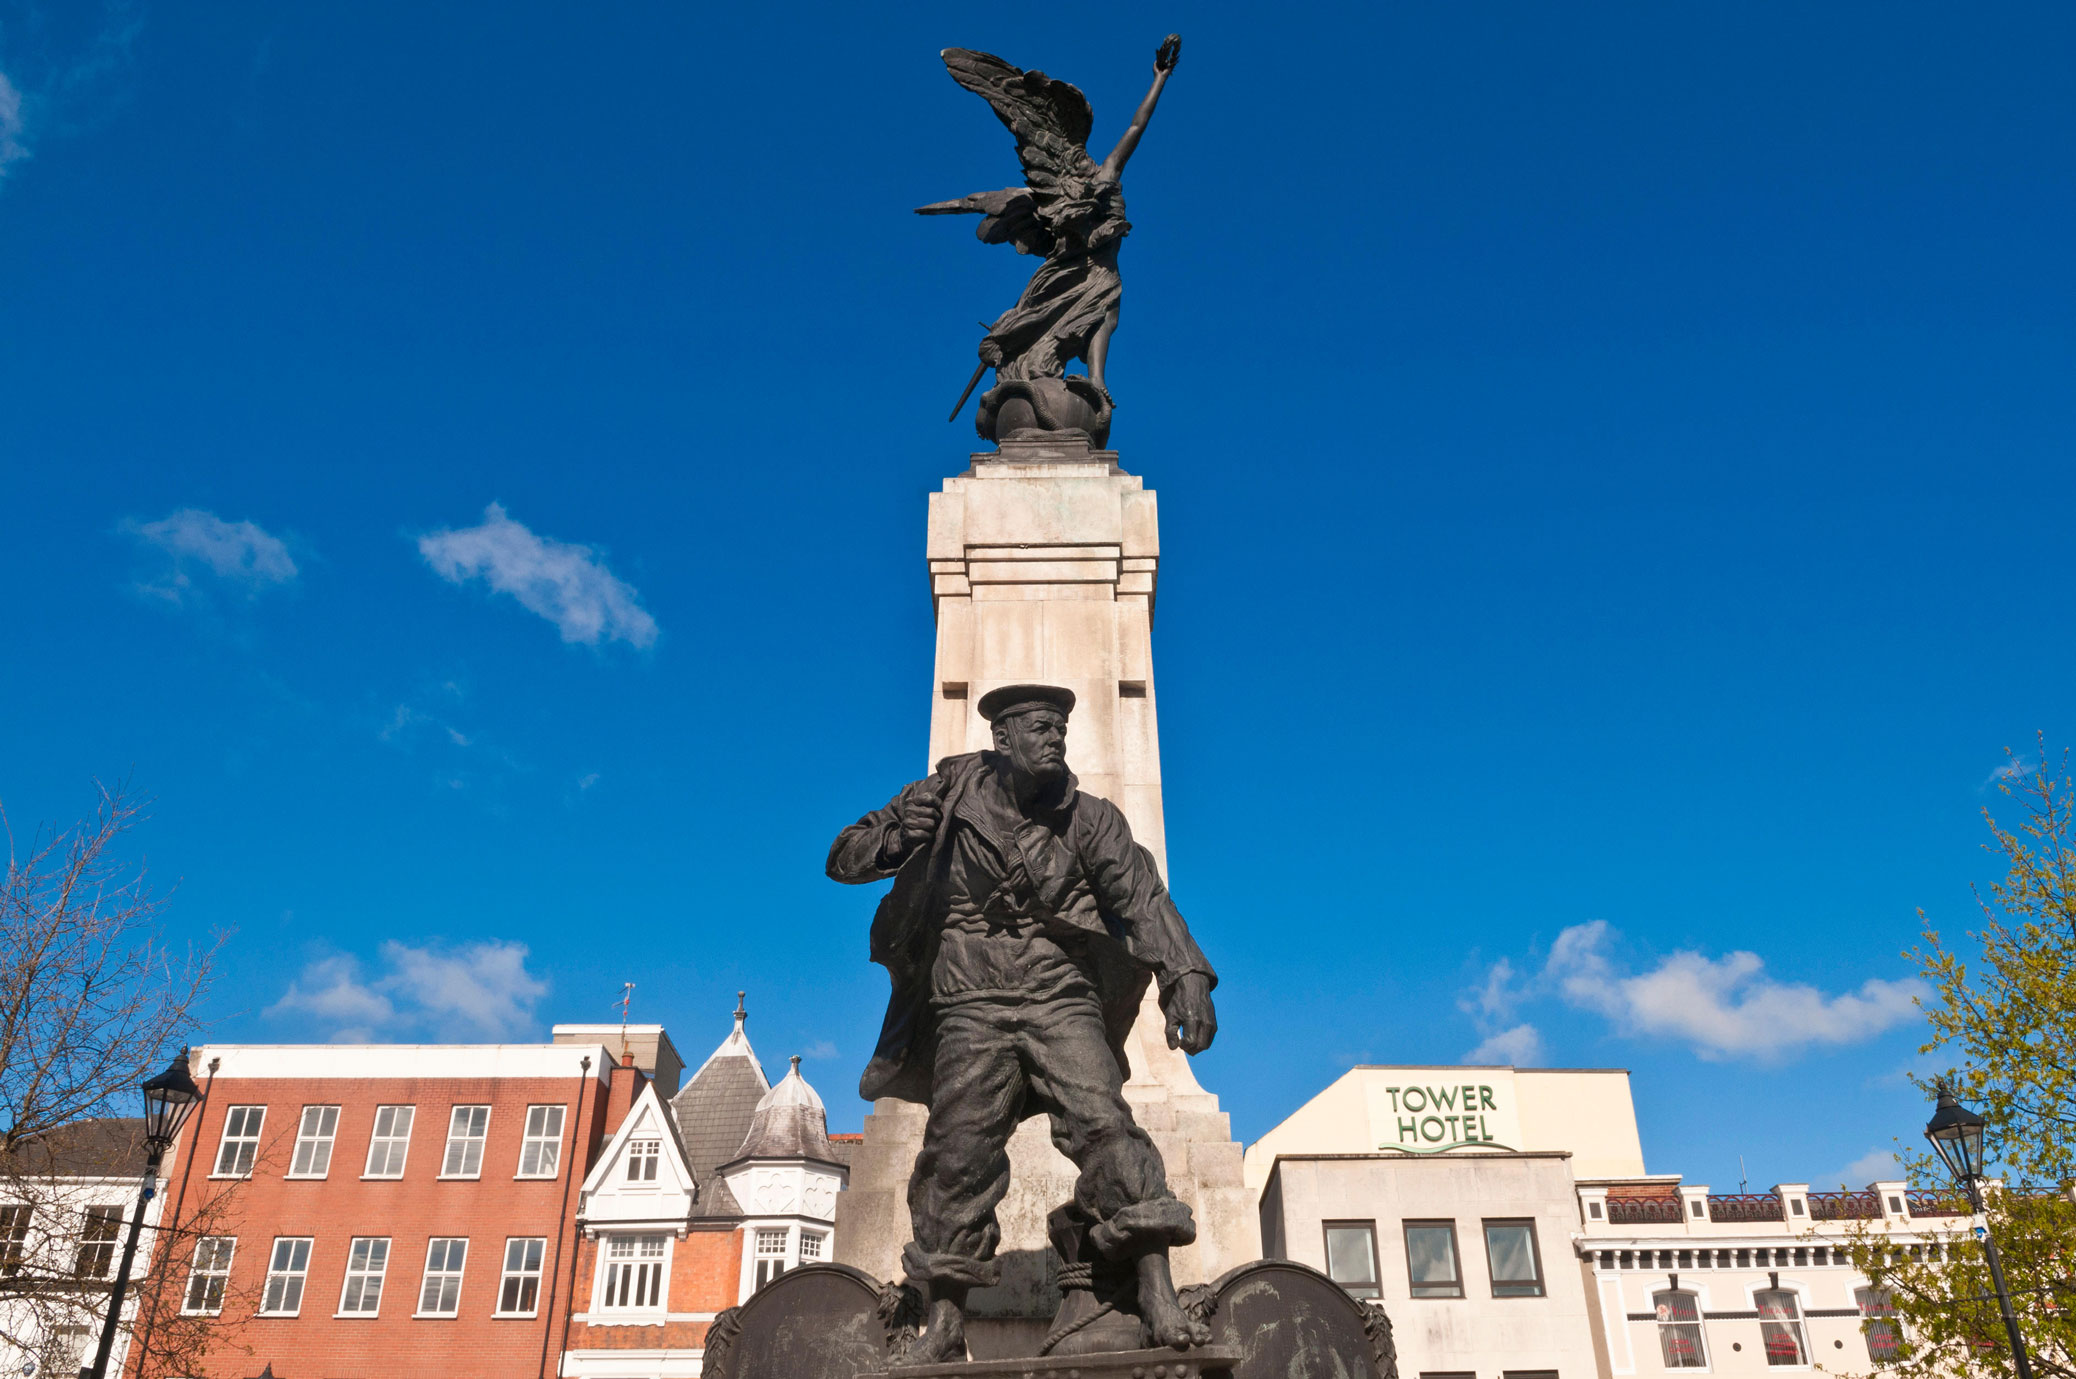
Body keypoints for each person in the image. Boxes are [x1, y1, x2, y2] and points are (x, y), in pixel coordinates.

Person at [827, 683, 1218, 1362]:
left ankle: (1157, 1288)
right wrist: (897, 835)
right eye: (1040, 728)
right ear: (1002, 739)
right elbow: (844, 857)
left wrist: (1184, 976)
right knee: (958, 1155)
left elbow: (1143, 897)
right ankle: (945, 1323)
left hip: (1056, 992)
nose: (1055, 738)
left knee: (1104, 1123)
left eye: (1060, 728)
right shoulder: (944, 799)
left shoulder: (1090, 819)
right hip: (968, 999)